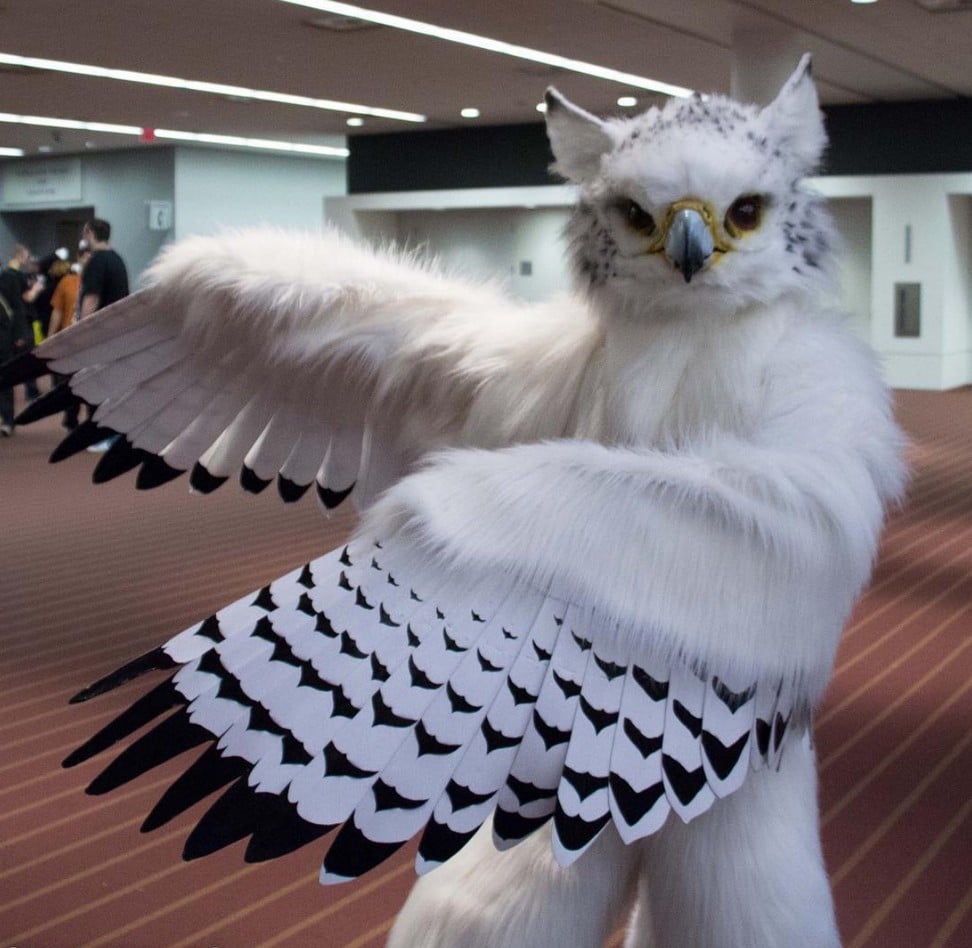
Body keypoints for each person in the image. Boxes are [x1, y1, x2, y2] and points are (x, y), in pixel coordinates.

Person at [79, 219, 129, 450]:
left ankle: (100, 436)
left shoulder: (96, 262)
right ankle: (117, 434)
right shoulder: (118, 260)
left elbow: (91, 298)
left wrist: (81, 331)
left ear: (90, 233)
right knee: (115, 386)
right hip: (119, 333)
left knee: (96, 386)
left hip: (100, 336)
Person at [0, 259, 33, 435]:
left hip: (4, 336)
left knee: (4, 378)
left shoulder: (9, 279)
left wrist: (20, 333)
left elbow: (18, 307)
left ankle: (8, 420)